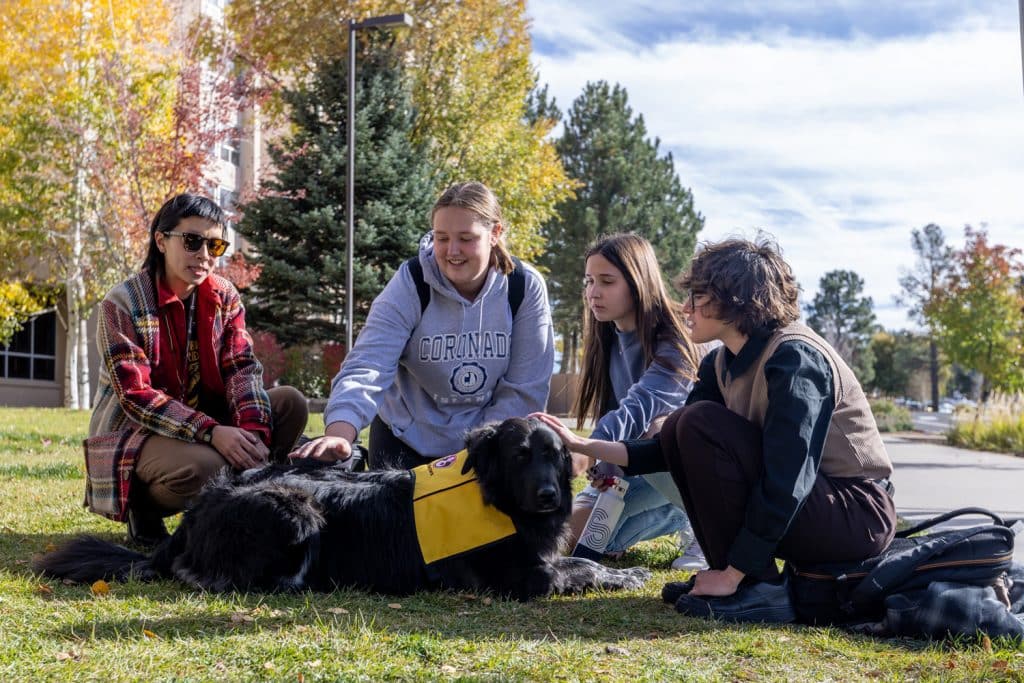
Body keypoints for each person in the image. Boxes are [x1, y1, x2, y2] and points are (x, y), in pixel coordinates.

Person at [533, 236, 896, 623]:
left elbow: (789, 478)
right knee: (679, 427)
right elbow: (665, 451)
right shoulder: (720, 362)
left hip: (856, 514)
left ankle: (754, 585)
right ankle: (740, 580)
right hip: (814, 507)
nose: (685, 307)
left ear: (736, 300)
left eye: (698, 296)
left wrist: (735, 571)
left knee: (695, 421)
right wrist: (584, 445)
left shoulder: (795, 358)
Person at [85, 193, 308, 546]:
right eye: (192, 241)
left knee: (290, 403)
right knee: (207, 468)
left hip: (206, 420)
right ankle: (142, 507)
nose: (204, 255)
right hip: (136, 431)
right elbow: (136, 397)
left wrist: (254, 439)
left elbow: (242, 369)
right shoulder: (122, 303)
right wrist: (212, 431)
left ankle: (242, 503)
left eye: (215, 245)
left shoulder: (224, 295)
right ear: (161, 240)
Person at [292, 181, 554, 469]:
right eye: (442, 238)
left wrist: (480, 451)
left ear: (495, 233)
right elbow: (369, 365)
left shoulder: (523, 286)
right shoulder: (411, 283)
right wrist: (340, 433)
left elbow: (524, 388)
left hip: (486, 446)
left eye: (466, 238)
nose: (452, 251)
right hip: (405, 440)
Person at [567, 233, 706, 569]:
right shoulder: (608, 337)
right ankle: (678, 519)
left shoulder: (678, 338)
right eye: (588, 281)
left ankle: (710, 534)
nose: (593, 293)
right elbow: (616, 410)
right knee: (570, 538)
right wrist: (606, 466)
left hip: (695, 470)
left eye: (606, 281)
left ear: (638, 282)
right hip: (643, 469)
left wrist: (584, 451)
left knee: (659, 427)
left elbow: (639, 409)